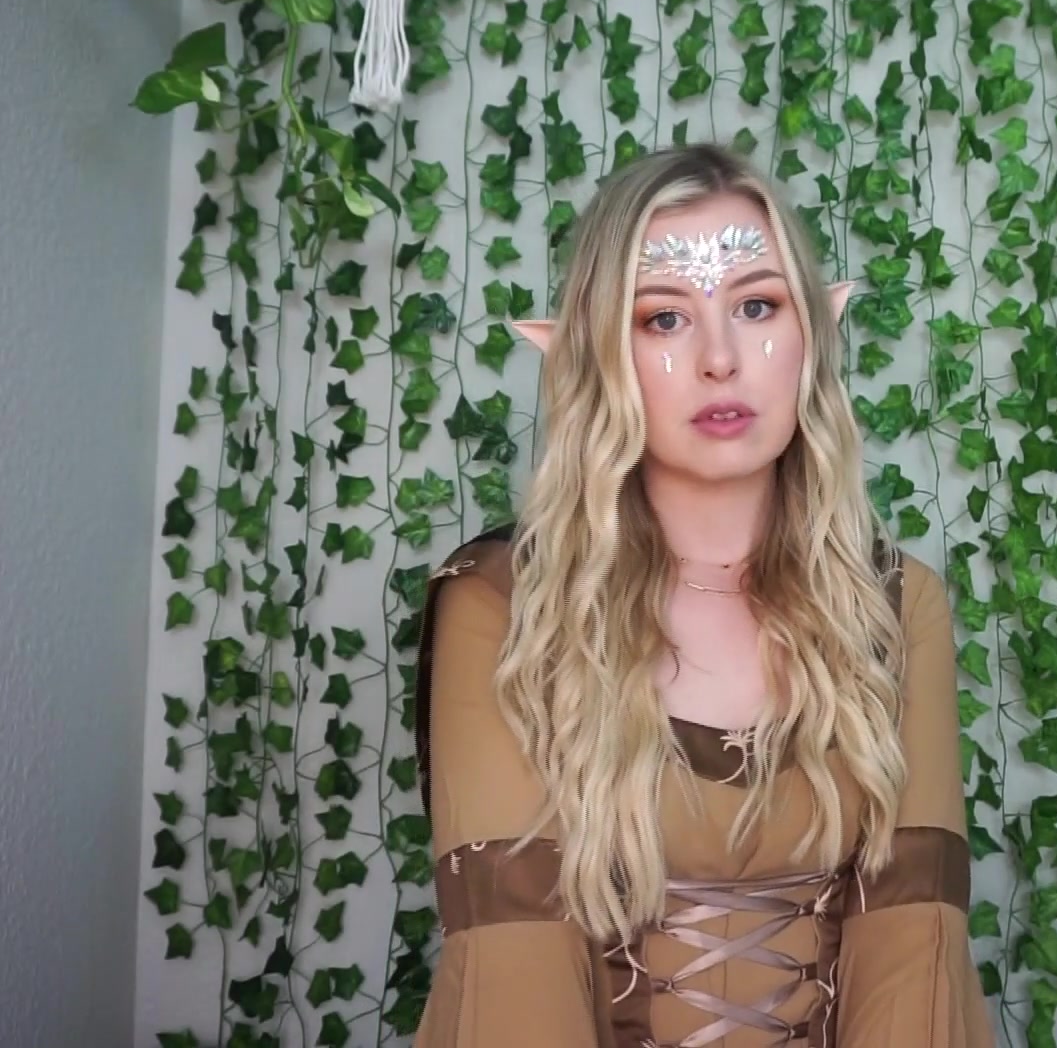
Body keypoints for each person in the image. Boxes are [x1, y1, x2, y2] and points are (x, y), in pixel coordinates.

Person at [410, 143, 994, 1048]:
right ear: (595, 351)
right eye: (664, 319)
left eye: (757, 306)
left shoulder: (892, 603)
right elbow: (515, 970)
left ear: (814, 333)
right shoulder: (503, 604)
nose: (720, 359)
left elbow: (915, 948)